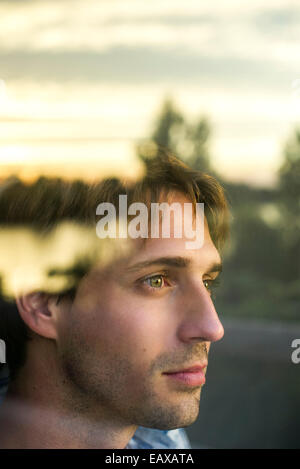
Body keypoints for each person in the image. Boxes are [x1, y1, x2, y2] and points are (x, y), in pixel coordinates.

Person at [0, 149, 229, 449]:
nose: (213, 328)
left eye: (207, 282)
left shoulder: (164, 444)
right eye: (156, 280)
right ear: (42, 302)